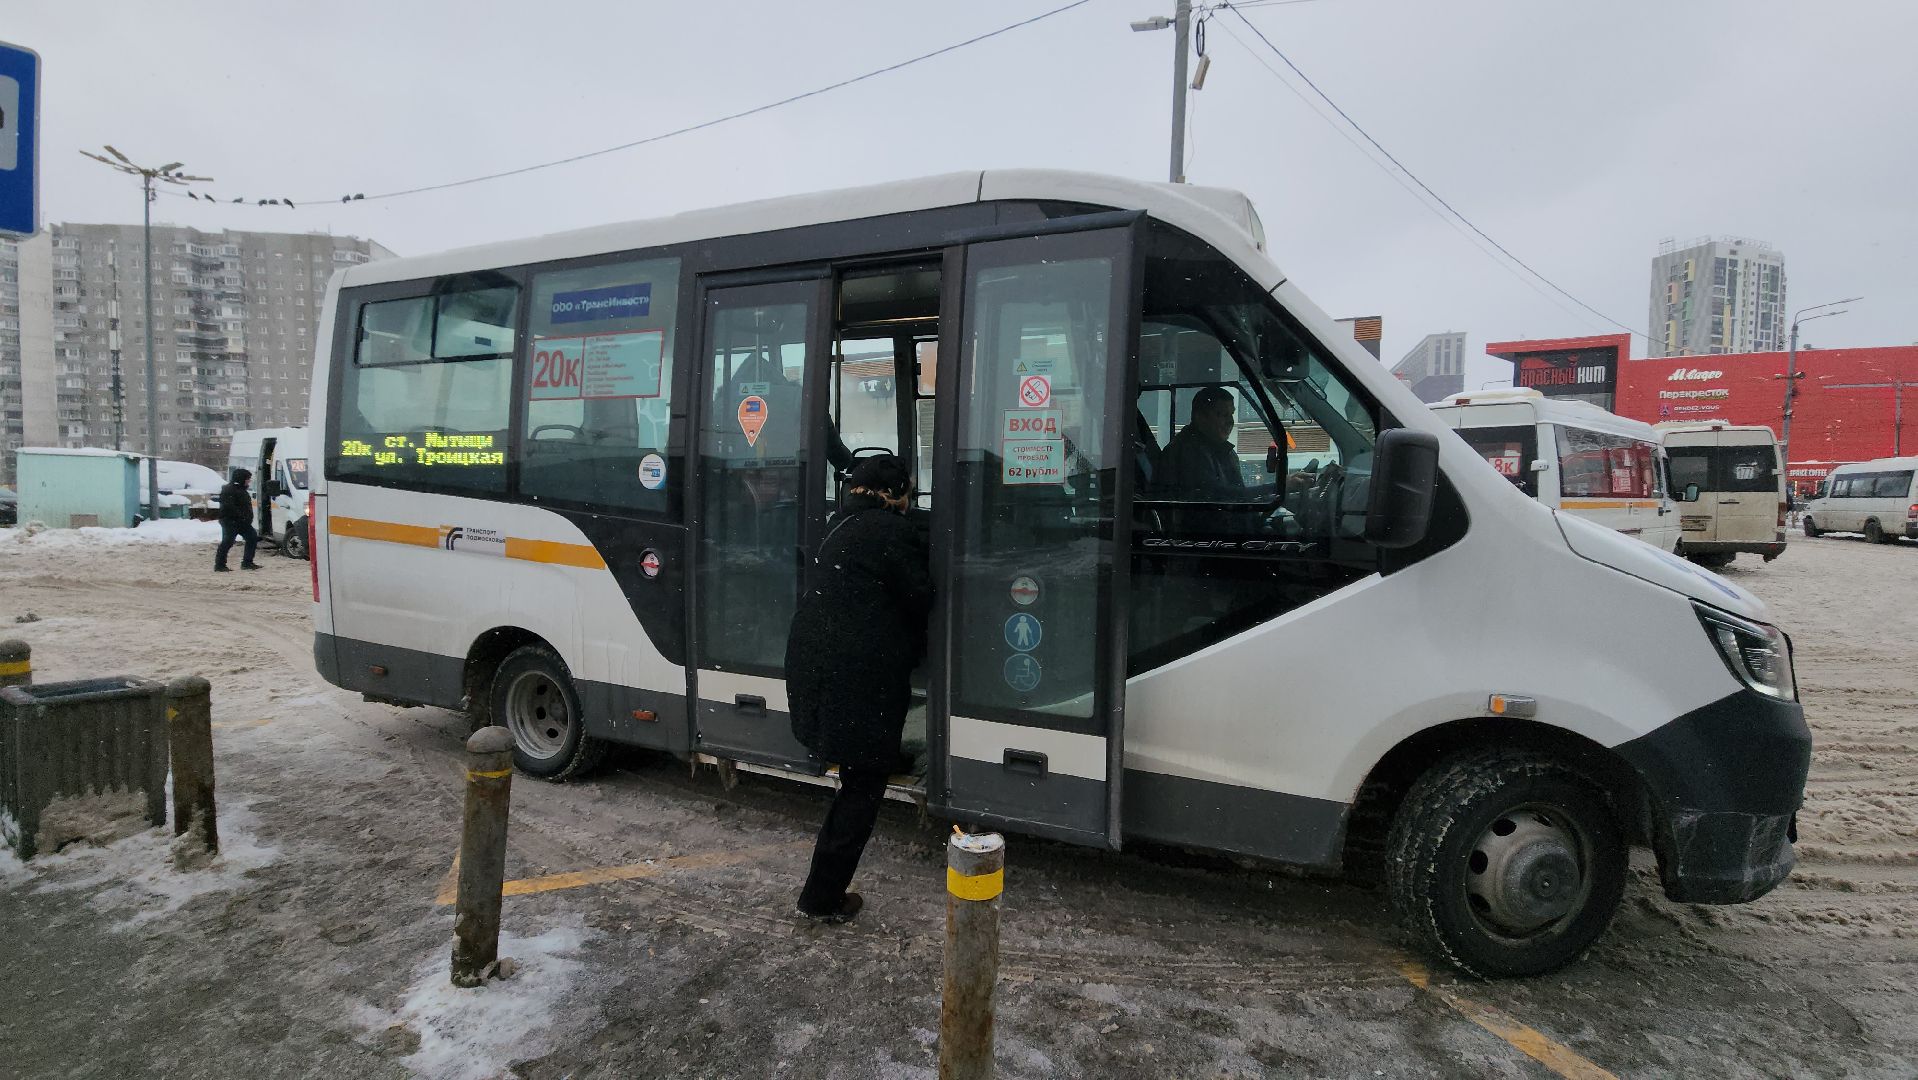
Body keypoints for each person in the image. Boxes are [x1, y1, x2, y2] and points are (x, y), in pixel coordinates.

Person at [784, 454, 933, 924]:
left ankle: (880, 755)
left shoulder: (839, 526)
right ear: (896, 496)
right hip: (856, 672)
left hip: (816, 660)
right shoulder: (894, 533)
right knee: (861, 786)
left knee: (862, 754)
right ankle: (821, 898)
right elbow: (922, 596)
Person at [216, 468, 261, 572]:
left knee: (252, 537)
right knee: (228, 542)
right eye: (247, 479)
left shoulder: (241, 489)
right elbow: (229, 507)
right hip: (230, 521)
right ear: (241, 479)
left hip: (242, 522)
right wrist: (241, 516)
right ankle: (219, 565)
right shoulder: (229, 490)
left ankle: (247, 562)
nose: (249, 481)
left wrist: (246, 518)